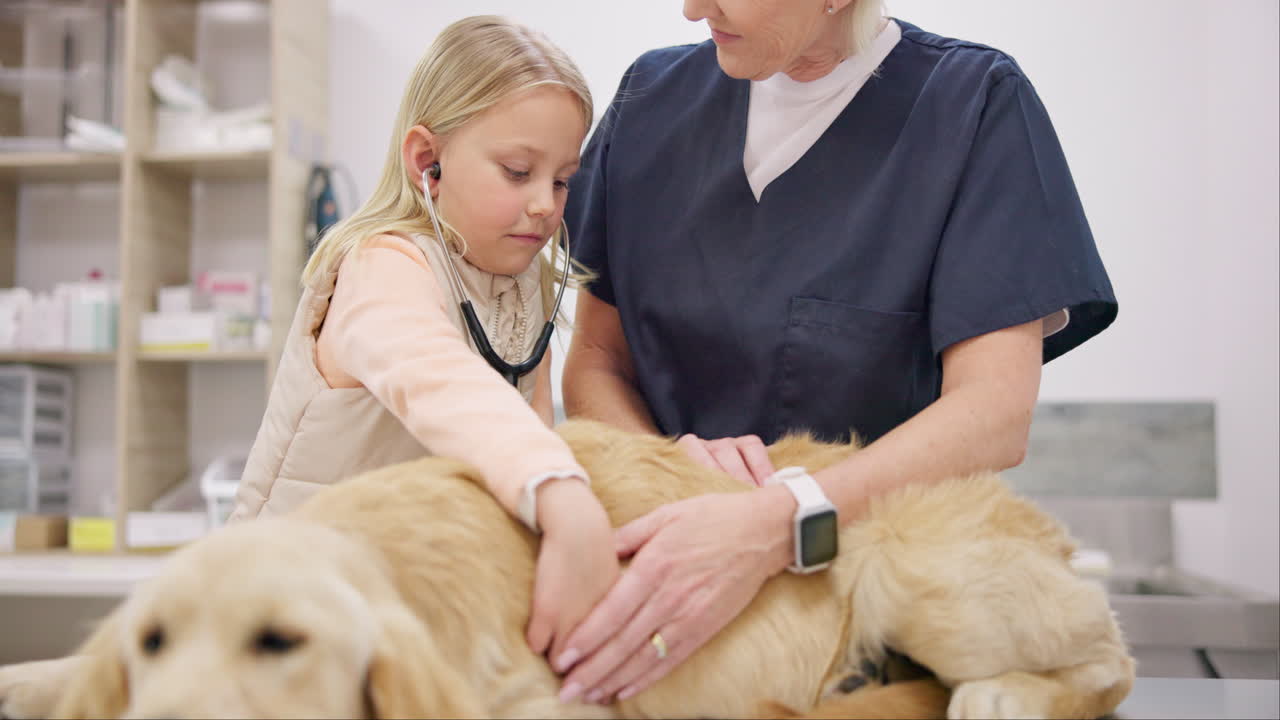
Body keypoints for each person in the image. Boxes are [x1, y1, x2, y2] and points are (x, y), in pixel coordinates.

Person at [554, 0, 1117, 706]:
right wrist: (676, 492)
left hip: (875, 599)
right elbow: (597, 363)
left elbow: (995, 413)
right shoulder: (649, 103)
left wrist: (778, 522)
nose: (692, 9)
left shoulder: (972, 106)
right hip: (666, 573)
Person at [229, 15, 618, 665]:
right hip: (274, 608)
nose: (546, 205)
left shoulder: (526, 289)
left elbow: (536, 433)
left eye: (561, 179)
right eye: (518, 171)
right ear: (427, 163)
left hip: (392, 611)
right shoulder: (382, 266)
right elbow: (439, 382)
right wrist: (560, 493)